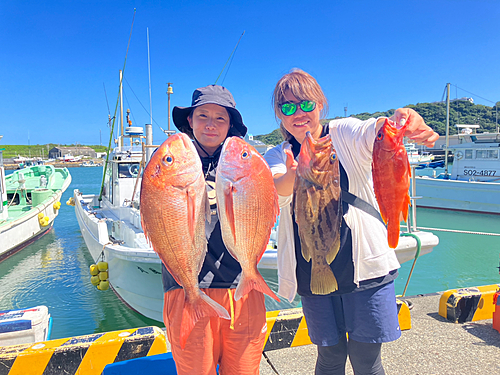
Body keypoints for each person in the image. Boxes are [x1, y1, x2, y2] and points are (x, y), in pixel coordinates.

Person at [264, 69, 439, 375]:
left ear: (321, 104)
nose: (299, 113)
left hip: (366, 268)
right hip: (312, 270)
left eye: (306, 104)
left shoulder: (342, 133)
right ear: (280, 114)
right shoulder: (277, 154)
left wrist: (399, 120)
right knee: (329, 356)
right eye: (288, 107)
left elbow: (372, 132)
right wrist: (298, 172)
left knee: (366, 359)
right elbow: (276, 188)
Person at [162, 84, 267, 375]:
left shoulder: (245, 164)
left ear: (230, 125)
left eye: (220, 118)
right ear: (190, 122)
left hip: (242, 288)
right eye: (203, 115)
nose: (211, 124)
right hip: (186, 290)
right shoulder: (171, 163)